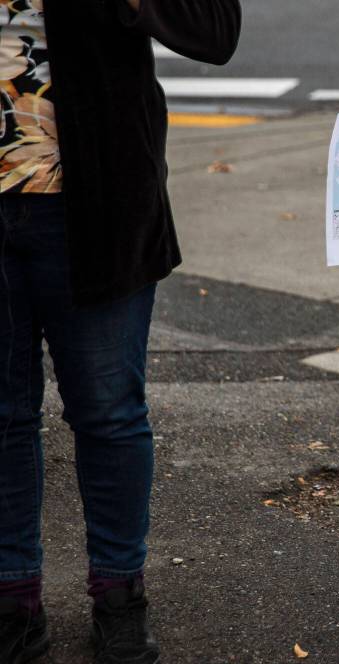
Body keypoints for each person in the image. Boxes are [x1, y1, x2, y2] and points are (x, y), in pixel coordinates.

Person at [0, 1, 240, 662]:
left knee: (108, 412)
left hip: (97, 203)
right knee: (2, 418)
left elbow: (216, 31)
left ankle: (119, 598)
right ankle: (12, 603)